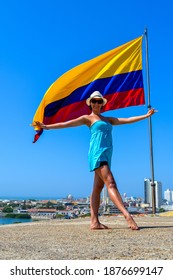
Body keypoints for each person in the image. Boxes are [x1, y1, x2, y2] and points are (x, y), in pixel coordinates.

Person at [34, 91, 156, 230]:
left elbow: (128, 120)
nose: (96, 103)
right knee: (111, 182)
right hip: (97, 154)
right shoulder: (88, 118)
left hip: (107, 154)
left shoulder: (108, 120)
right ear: (90, 103)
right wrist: (47, 126)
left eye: (99, 101)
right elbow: (68, 123)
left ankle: (94, 222)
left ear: (102, 104)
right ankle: (128, 216)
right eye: (94, 101)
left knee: (97, 188)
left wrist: (146, 116)